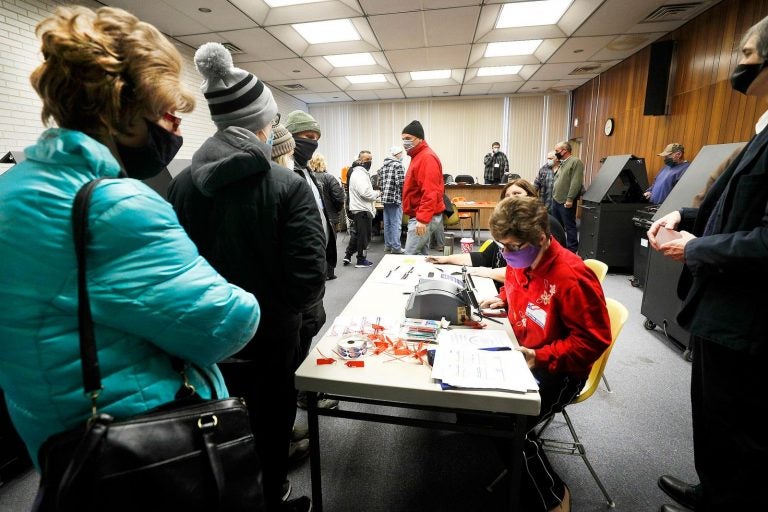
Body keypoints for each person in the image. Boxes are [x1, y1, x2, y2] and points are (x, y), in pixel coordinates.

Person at [0, 5, 262, 507]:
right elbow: (224, 324)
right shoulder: (114, 204)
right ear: (121, 108)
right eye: (167, 112)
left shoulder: (13, 189)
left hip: (60, 439)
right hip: (147, 451)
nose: (176, 127)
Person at [167, 43, 323, 512]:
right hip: (270, 339)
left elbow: (173, 267)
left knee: (216, 427)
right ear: (264, 122)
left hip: (204, 340)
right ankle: (272, 495)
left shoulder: (180, 185)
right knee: (272, 425)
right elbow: (309, 279)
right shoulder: (287, 186)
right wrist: (282, 312)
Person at [647, 16, 768, 512]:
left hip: (748, 318)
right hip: (720, 308)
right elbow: (739, 207)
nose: (736, 66)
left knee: (743, 428)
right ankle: (712, 490)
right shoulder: (762, 130)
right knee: (713, 413)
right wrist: (686, 213)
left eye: (744, 55)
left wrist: (693, 248)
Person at [480, 196, 611, 512]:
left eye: (512, 246)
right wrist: (504, 300)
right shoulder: (519, 260)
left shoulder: (571, 276)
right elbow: (519, 288)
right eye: (502, 246)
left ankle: (553, 497)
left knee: (504, 422)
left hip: (560, 370)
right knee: (475, 404)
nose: (506, 254)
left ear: (540, 238)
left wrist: (540, 357)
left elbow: (593, 341)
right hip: (522, 352)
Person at [285, 110, 339, 411]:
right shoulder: (285, 173)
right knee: (302, 329)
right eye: (307, 138)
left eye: (316, 139)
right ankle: (300, 394)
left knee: (312, 323)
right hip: (300, 269)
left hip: (316, 264)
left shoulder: (307, 172)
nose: (312, 144)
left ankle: (303, 389)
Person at [427, 179, 566, 288]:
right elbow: (484, 257)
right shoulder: (509, 225)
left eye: (517, 194)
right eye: (507, 196)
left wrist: (488, 273)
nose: (511, 198)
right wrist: (447, 259)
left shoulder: (546, 224)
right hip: (507, 290)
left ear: (532, 196)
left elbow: (533, 273)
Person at [401, 120, 445, 254]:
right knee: (421, 255)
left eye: (408, 139)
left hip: (423, 216)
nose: (405, 143)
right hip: (421, 214)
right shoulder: (418, 156)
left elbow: (431, 191)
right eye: (403, 139)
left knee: (409, 256)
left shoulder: (426, 157)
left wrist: (422, 219)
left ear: (419, 138)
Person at [343, 152, 381, 268]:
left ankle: (348, 255)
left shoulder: (359, 173)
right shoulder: (360, 174)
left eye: (370, 158)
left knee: (357, 235)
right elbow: (365, 193)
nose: (369, 161)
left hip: (360, 208)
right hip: (362, 209)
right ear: (360, 160)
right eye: (366, 159)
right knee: (364, 237)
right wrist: (378, 193)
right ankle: (361, 260)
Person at [309, 153, 345, 265]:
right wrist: (337, 211)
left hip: (312, 217)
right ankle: (329, 272)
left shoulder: (308, 178)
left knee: (316, 245)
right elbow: (339, 198)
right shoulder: (329, 178)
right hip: (330, 217)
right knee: (330, 245)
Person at [551, 140, 584, 253]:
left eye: (557, 151)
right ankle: (558, 248)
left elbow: (576, 182)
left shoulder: (575, 162)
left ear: (564, 150)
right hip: (556, 200)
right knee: (556, 226)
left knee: (569, 227)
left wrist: (570, 199)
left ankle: (571, 250)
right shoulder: (562, 163)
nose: (555, 153)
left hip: (566, 201)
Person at [379, 145, 406, 254]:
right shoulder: (398, 165)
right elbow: (402, 183)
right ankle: (396, 247)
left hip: (385, 199)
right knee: (396, 223)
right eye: (401, 153)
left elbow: (380, 183)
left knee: (388, 223)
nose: (402, 155)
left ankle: (388, 245)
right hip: (395, 199)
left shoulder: (383, 166)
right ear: (397, 154)